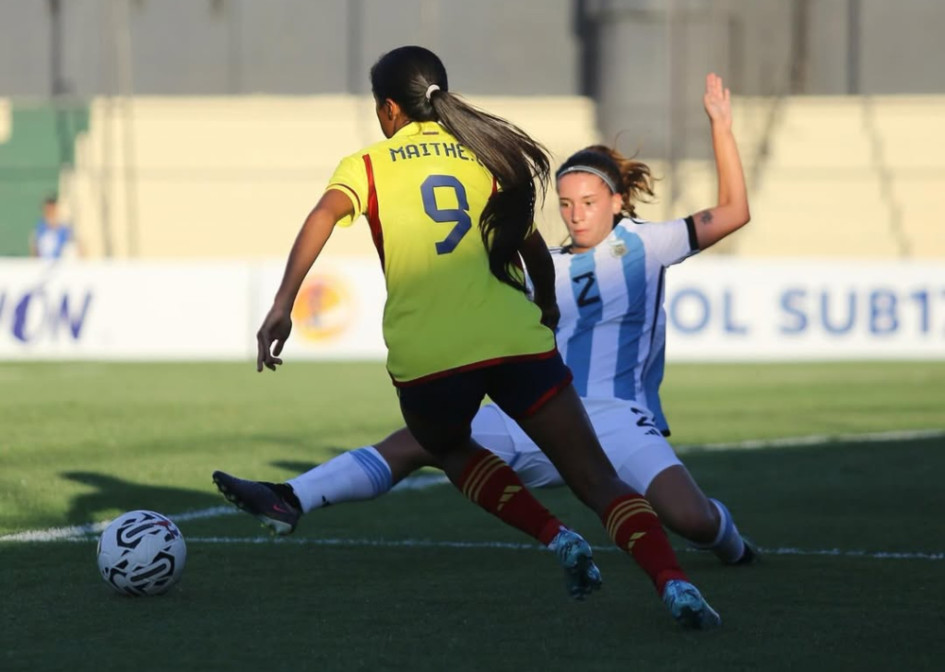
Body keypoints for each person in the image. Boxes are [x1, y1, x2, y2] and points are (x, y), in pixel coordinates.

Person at [214, 46, 721, 629]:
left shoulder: (368, 163)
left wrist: (283, 306)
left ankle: (556, 537)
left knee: (448, 446)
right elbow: (530, 243)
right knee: (597, 479)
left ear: (387, 111)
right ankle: (675, 583)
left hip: (430, 353)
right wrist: (548, 307)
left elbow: (323, 216)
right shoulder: (486, 157)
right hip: (515, 338)